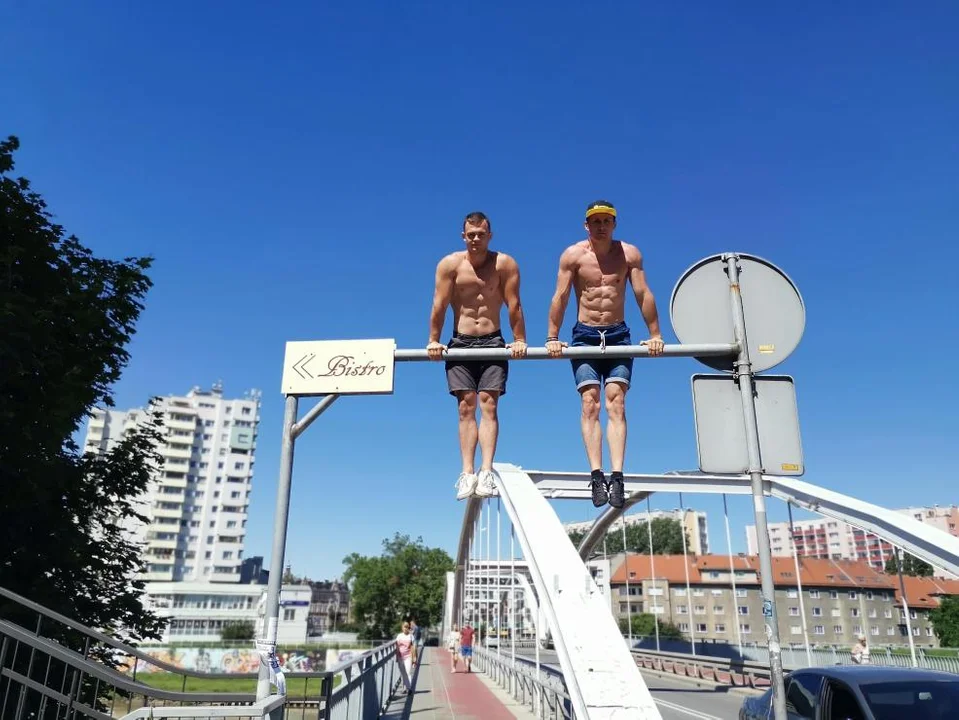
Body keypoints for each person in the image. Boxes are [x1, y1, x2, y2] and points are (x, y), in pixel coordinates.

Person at [546, 200, 664, 509]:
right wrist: (552, 337)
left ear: (614, 224)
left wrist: (655, 335)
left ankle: (618, 476)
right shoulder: (573, 256)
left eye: (606, 221)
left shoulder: (629, 254)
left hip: (618, 334)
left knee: (617, 400)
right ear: (586, 225)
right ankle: (596, 475)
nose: (601, 226)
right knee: (590, 402)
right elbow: (559, 296)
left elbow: (642, 294)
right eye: (595, 221)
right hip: (585, 335)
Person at [428, 211, 528, 500]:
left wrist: (519, 340)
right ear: (463, 236)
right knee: (465, 406)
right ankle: (467, 472)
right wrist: (433, 340)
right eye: (470, 235)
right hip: (460, 342)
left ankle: (486, 471)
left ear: (489, 235)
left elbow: (514, 304)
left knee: (489, 404)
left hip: (493, 340)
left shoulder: (505, 264)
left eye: (480, 234)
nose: (475, 239)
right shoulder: (450, 265)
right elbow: (439, 304)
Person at [395, 621, 417, 690]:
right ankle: (404, 687)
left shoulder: (411, 636)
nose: (405, 628)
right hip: (400, 657)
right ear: (402, 628)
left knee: (408, 672)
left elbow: (413, 647)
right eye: (404, 627)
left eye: (407, 627)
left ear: (408, 628)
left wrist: (414, 658)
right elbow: (397, 647)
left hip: (408, 656)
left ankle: (409, 688)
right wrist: (397, 657)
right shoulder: (399, 636)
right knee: (403, 673)